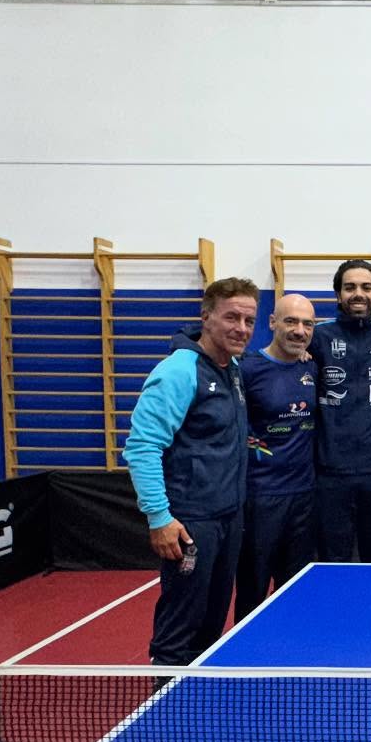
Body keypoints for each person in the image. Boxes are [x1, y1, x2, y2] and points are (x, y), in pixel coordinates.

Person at [122, 277, 256, 666]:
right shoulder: (178, 371)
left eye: (249, 320)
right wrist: (159, 517)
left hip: (228, 516)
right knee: (181, 624)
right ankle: (165, 697)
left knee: (212, 622)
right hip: (191, 521)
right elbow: (142, 446)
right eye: (232, 317)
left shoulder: (232, 368)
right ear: (206, 317)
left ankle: (195, 695)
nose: (241, 328)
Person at [309, 260, 371, 563]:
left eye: (366, 287)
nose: (358, 294)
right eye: (349, 287)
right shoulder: (317, 337)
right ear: (338, 294)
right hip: (330, 471)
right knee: (332, 560)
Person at [234, 293, 318, 622]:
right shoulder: (246, 369)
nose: (299, 330)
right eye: (291, 321)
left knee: (295, 590)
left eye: (307, 324)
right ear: (272, 323)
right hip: (260, 498)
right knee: (252, 590)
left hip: (305, 497)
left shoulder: (311, 366)